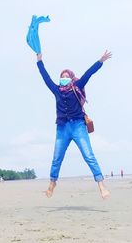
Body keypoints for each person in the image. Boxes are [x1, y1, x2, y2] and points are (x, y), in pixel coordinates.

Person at [35, 51, 112, 199]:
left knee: (88, 155)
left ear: (71, 77)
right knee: (57, 157)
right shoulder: (56, 89)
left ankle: (101, 185)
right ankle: (52, 184)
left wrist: (100, 61)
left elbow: (88, 74)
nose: (63, 79)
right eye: (61, 77)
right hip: (62, 128)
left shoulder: (77, 85)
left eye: (66, 76)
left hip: (78, 126)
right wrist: (39, 61)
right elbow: (45, 77)